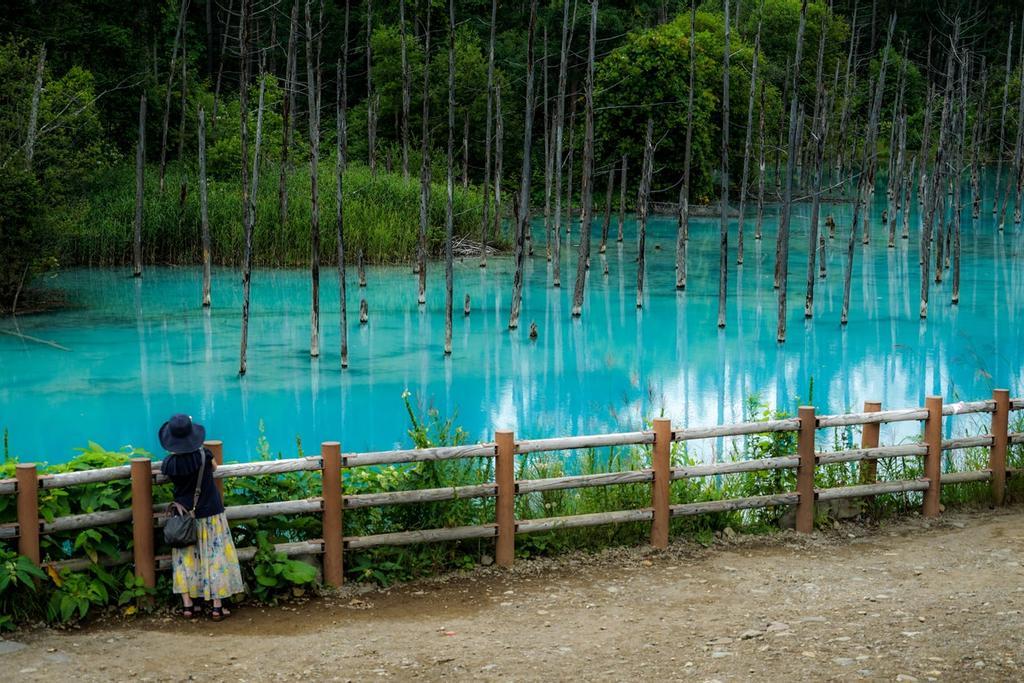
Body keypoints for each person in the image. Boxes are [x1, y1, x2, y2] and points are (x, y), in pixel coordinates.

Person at [158, 414, 244, 621]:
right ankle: (216, 606)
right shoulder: (204, 455)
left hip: (184, 517)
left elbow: (172, 471)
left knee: (185, 559)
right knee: (214, 557)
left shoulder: (170, 464)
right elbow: (214, 468)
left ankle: (189, 606)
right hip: (211, 513)